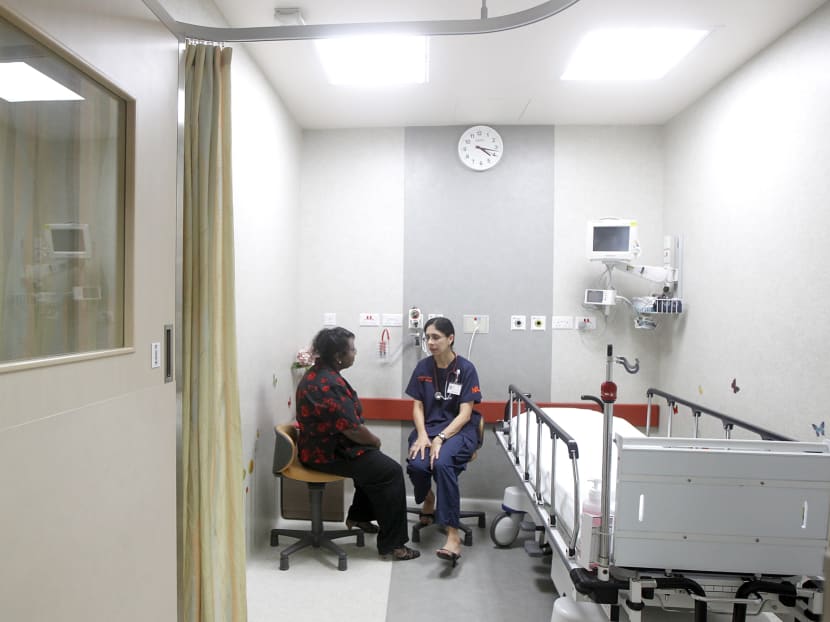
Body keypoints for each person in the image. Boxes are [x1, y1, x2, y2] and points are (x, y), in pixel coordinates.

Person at [295, 327, 419, 561]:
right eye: (352, 349)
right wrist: (374, 441)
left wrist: (368, 446)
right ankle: (394, 545)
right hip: (325, 453)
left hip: (323, 448)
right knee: (390, 471)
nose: (355, 353)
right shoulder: (327, 383)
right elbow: (351, 428)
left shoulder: (319, 374)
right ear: (338, 356)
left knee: (372, 465)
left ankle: (359, 517)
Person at [405, 317, 482, 565]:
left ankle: (452, 535)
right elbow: (417, 406)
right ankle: (428, 498)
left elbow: (465, 414)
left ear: (450, 338)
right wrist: (423, 435)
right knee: (417, 465)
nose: (430, 342)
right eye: (427, 337)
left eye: (436, 337)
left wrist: (441, 437)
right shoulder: (423, 368)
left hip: (459, 430)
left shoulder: (466, 369)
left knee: (441, 464)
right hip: (428, 429)